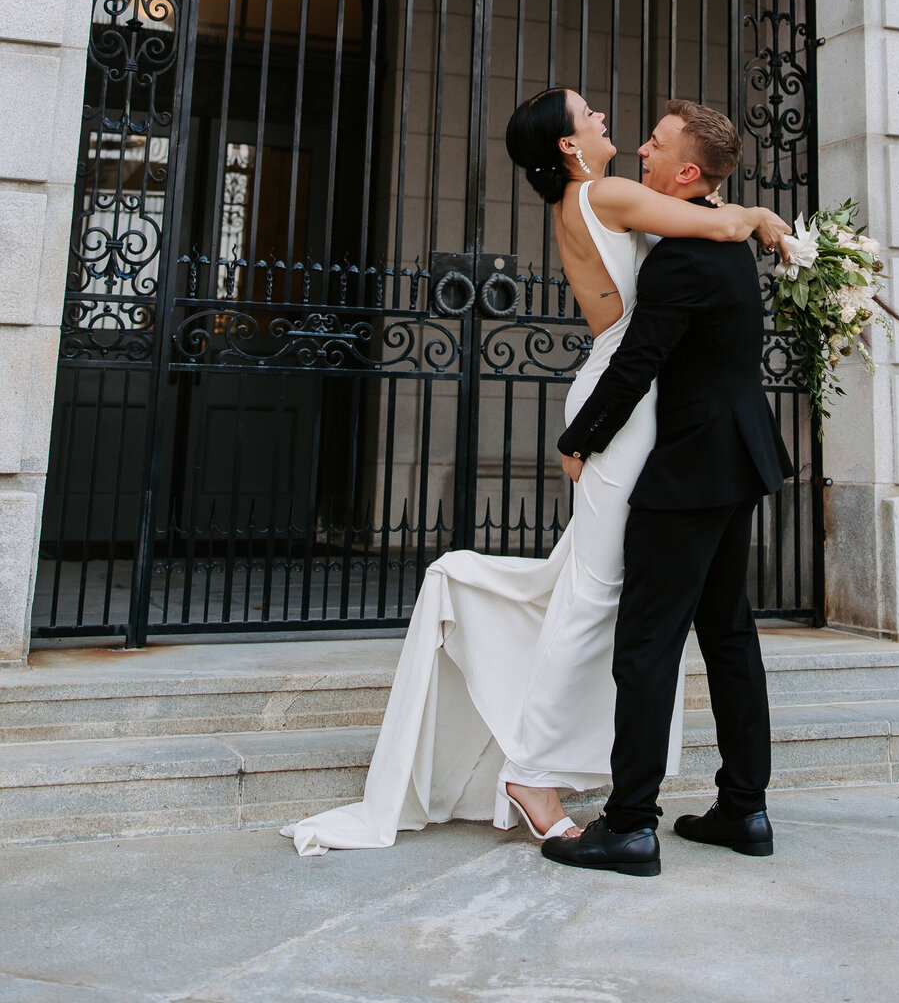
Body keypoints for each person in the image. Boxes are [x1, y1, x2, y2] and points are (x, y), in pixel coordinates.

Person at [286, 88, 788, 855]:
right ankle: (560, 782)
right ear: (568, 146)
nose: (615, 127)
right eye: (591, 116)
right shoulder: (610, 197)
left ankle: (621, 803)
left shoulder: (613, 205)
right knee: (610, 600)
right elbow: (715, 229)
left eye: (653, 140)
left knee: (629, 608)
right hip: (641, 415)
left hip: (659, 422)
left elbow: (698, 236)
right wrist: (764, 221)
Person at [541, 100, 793, 879]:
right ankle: (744, 809)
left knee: (647, 644)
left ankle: (629, 826)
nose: (641, 150)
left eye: (655, 144)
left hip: (690, 467)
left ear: (687, 171)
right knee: (728, 633)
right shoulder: (719, 233)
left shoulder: (685, 255)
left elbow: (638, 360)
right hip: (738, 456)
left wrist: (579, 440)